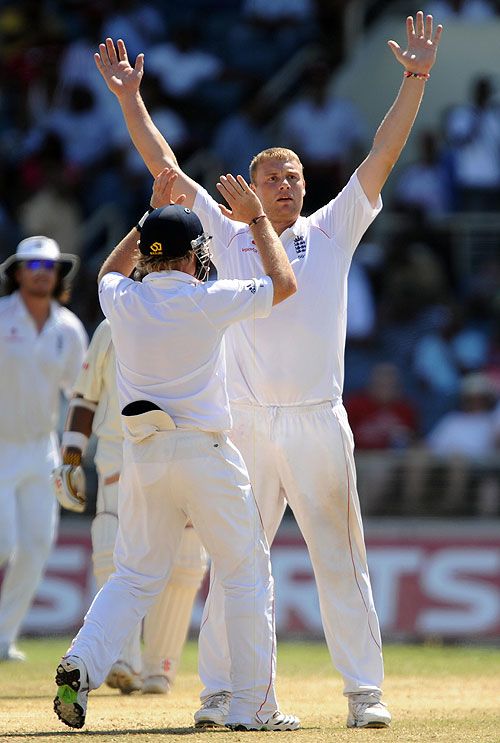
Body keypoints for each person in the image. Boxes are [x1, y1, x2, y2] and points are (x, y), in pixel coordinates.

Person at [93, 11, 442, 729]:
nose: (285, 186)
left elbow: (384, 151)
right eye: (272, 177)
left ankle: (363, 693)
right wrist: (131, 100)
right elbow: (164, 169)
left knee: (341, 558)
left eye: (293, 177)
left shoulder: (331, 229)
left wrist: (414, 80)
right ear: (242, 192)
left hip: (318, 416)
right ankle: (222, 694)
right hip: (244, 423)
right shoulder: (226, 231)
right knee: (234, 565)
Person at [52, 167, 299, 731]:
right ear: (192, 257)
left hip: (143, 457)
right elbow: (284, 285)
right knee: (246, 572)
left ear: (150, 253)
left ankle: (82, 664)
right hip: (205, 453)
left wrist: (147, 216)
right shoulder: (207, 299)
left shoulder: (124, 300)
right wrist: (258, 220)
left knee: (134, 576)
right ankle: (254, 707)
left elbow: (108, 271)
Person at [53, 317, 208, 695]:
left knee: (186, 561)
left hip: (186, 448)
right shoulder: (113, 324)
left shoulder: (202, 312)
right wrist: (71, 454)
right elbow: (85, 394)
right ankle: (121, 657)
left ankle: (160, 666)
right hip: (118, 454)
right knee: (113, 550)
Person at [0, 235, 87, 662]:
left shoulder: (68, 329)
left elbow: (80, 393)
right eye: (32, 265)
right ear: (17, 272)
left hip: (42, 450)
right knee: (2, 543)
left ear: (57, 275)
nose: (40, 273)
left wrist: (76, 451)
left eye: (48, 267)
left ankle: (2, 638)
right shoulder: (0, 318)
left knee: (36, 545)